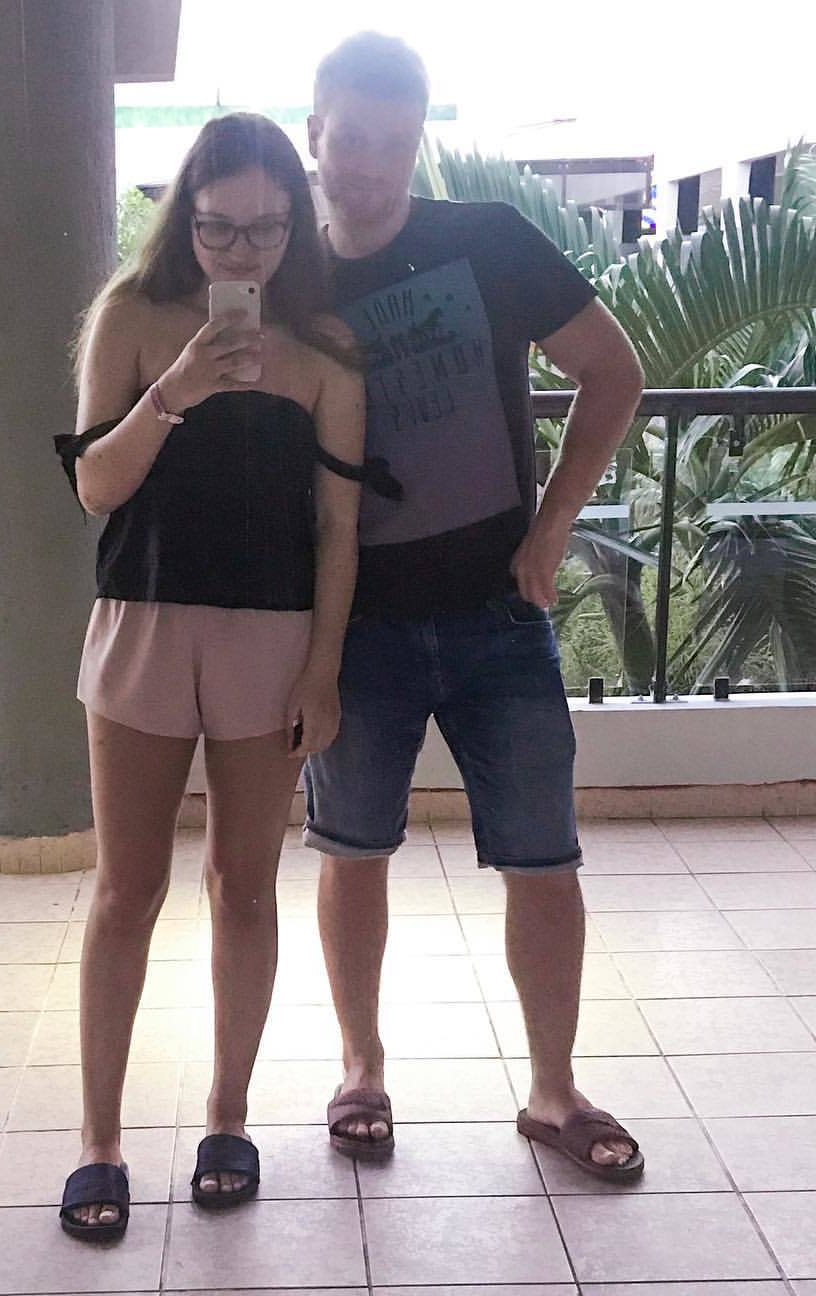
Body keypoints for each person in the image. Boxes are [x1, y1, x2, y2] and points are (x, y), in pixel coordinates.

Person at [303, 32, 648, 1182]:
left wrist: (550, 531)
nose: (368, 165)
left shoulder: (486, 241)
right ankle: (362, 1070)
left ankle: (553, 1091)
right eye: (351, 139)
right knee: (352, 852)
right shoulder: (290, 282)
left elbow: (614, 372)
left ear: (416, 145)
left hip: (499, 615)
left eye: (393, 144)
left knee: (545, 859)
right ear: (316, 132)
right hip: (354, 629)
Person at [55, 112, 370, 1240]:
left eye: (268, 229)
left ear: (298, 225)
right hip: (142, 621)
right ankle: (99, 1139)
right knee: (125, 892)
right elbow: (95, 487)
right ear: (183, 216)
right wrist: (176, 387)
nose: (243, 251)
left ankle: (228, 1116)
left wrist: (323, 669)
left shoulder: (326, 347)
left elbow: (338, 528)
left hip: (272, 638)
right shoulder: (131, 317)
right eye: (219, 227)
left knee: (244, 887)